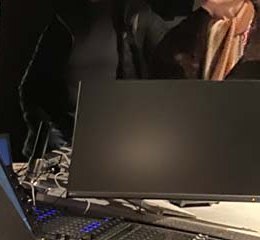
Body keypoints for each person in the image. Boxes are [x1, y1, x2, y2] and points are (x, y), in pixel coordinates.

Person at [20, 0, 260, 155]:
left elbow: (169, 99)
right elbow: (33, 89)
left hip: (126, 157)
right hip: (67, 156)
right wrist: (58, 149)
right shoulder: (74, 18)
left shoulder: (147, 19)